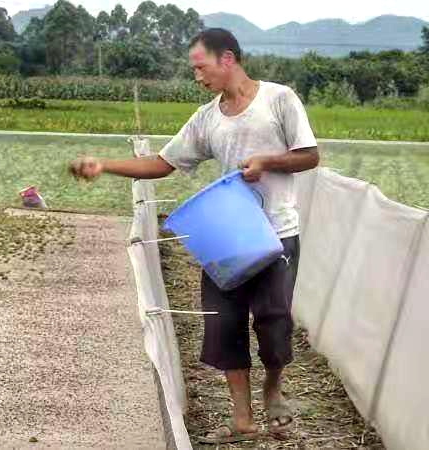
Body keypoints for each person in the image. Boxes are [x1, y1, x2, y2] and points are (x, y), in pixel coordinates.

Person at [69, 28, 319, 444]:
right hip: (226, 236)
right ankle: (242, 420)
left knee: (275, 322)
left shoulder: (279, 99)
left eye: (200, 67)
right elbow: (163, 163)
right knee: (224, 323)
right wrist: (105, 166)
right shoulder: (206, 118)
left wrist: (267, 162)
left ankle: (273, 385)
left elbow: (309, 156)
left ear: (227, 59)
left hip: (276, 232)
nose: (197, 76)